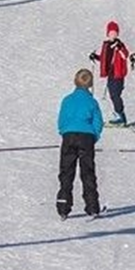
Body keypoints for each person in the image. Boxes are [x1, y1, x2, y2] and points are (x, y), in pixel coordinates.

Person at [56, 68, 104, 218]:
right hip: (86, 137)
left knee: (66, 171)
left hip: (69, 136)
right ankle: (92, 206)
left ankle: (63, 206)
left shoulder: (67, 100)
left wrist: (64, 131)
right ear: (90, 84)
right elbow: (98, 122)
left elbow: (62, 119)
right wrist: (94, 136)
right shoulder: (92, 102)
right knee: (88, 172)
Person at [89, 21, 131, 125]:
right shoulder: (106, 45)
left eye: (115, 33)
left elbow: (125, 55)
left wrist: (119, 48)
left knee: (116, 95)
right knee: (113, 95)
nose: (113, 35)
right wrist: (95, 57)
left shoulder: (120, 44)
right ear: (107, 34)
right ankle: (119, 115)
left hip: (118, 74)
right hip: (111, 74)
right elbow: (104, 59)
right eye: (111, 33)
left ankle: (121, 116)